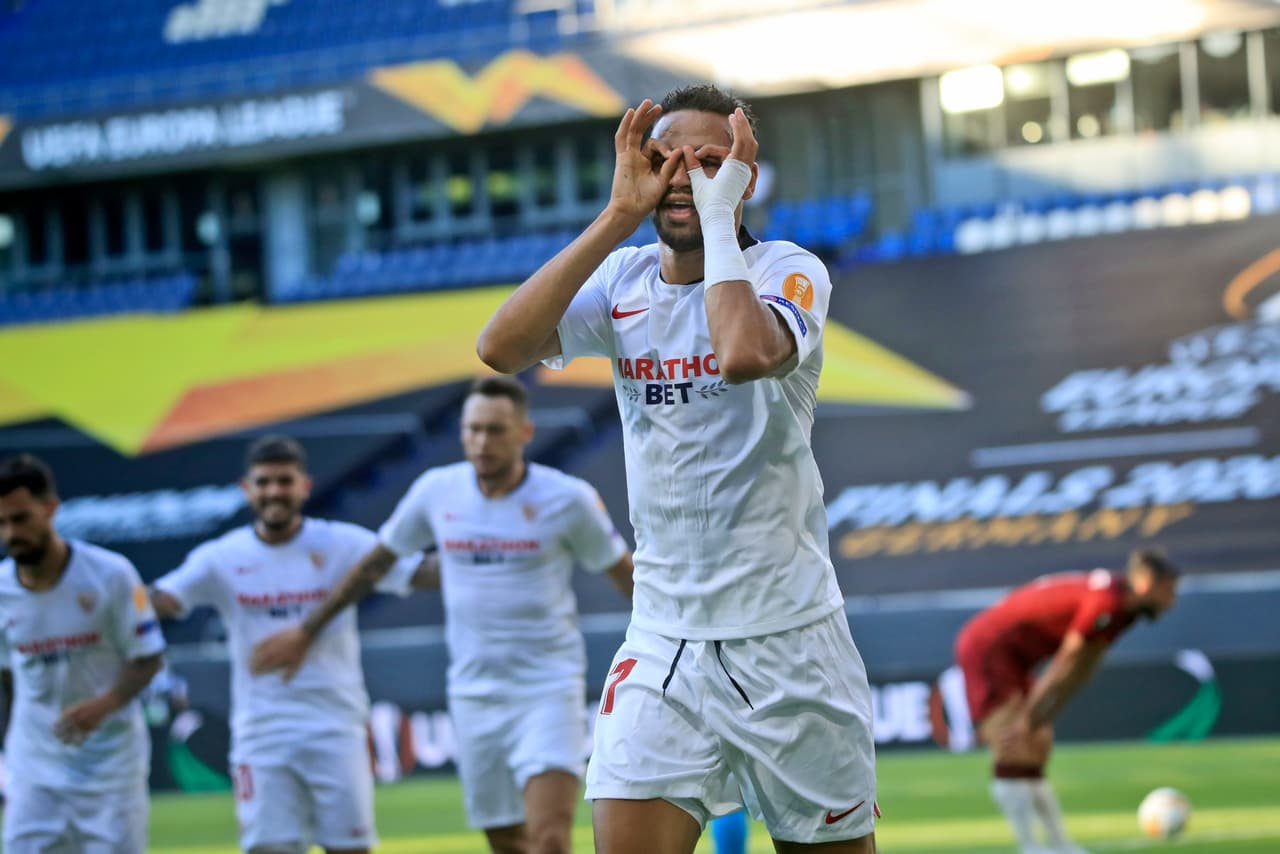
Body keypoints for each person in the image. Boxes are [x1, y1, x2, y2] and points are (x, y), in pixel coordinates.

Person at [475, 85, 878, 854]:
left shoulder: (790, 271)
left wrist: (720, 221)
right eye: (663, 160)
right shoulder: (622, 282)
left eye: (709, 162)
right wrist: (616, 217)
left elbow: (743, 354)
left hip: (789, 640)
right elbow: (500, 347)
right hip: (664, 640)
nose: (681, 176)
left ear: (745, 179)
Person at [251, 375, 635, 854]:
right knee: (505, 839)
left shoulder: (567, 499)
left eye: (495, 430)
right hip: (473, 695)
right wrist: (307, 631)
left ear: (524, 433)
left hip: (548, 689)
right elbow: (375, 563)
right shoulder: (437, 492)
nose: (481, 441)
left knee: (550, 837)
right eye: (473, 429)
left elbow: (624, 574)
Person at [150, 435, 424, 854]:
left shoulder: (342, 543)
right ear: (247, 489)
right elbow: (162, 600)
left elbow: (416, 572)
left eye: (284, 480)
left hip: (335, 727)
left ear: (305, 486)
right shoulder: (222, 556)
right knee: (270, 849)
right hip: (262, 733)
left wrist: (484, 557)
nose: (274, 491)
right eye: (264, 482)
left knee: (350, 848)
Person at [954, 550, 1181, 854]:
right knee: (1012, 746)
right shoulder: (1109, 602)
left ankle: (1060, 845)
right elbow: (1066, 660)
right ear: (1144, 583)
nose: (1171, 602)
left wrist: (1040, 719)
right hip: (988, 646)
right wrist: (1026, 720)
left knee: (1038, 742)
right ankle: (1031, 846)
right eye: (1167, 590)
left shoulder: (1121, 610)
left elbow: (1083, 667)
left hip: (1017, 659)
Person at [0, 454, 165, 853]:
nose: (10, 533)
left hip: (111, 768)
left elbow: (148, 657)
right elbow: (5, 678)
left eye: (20, 519)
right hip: (34, 772)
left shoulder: (110, 573)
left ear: (50, 508)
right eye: (1, 523)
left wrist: (104, 705)